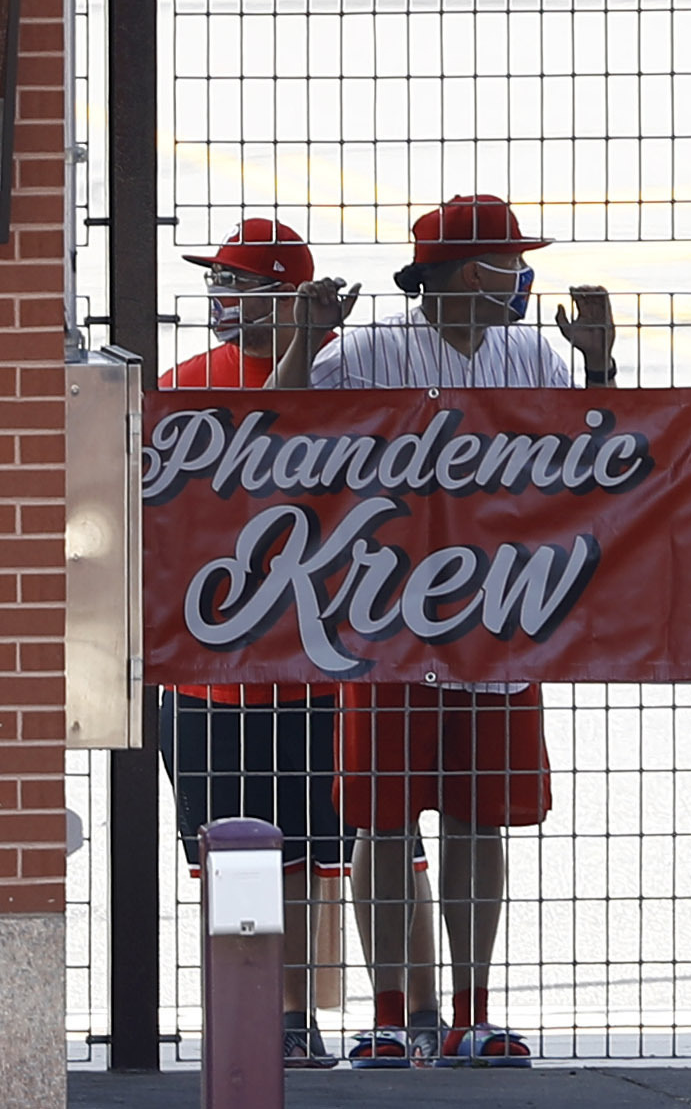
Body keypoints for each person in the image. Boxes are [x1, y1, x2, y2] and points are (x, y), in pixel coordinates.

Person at [271, 193, 616, 1069]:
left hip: (499, 621)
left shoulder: (532, 352)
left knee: (479, 819)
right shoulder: (373, 350)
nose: (523, 279)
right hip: (389, 618)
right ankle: (388, 1011)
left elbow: (600, 461)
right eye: (511, 263)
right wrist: (304, 345)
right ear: (471, 273)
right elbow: (267, 429)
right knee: (381, 824)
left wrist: (601, 367)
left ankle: (471, 1007)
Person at [156, 218, 342, 1068]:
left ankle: (302, 1014)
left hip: (321, 666)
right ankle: (248, 1017)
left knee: (313, 862)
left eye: (237, 285)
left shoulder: (350, 374)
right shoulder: (183, 381)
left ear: (286, 297)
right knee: (229, 862)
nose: (219, 300)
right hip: (212, 672)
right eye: (216, 284)